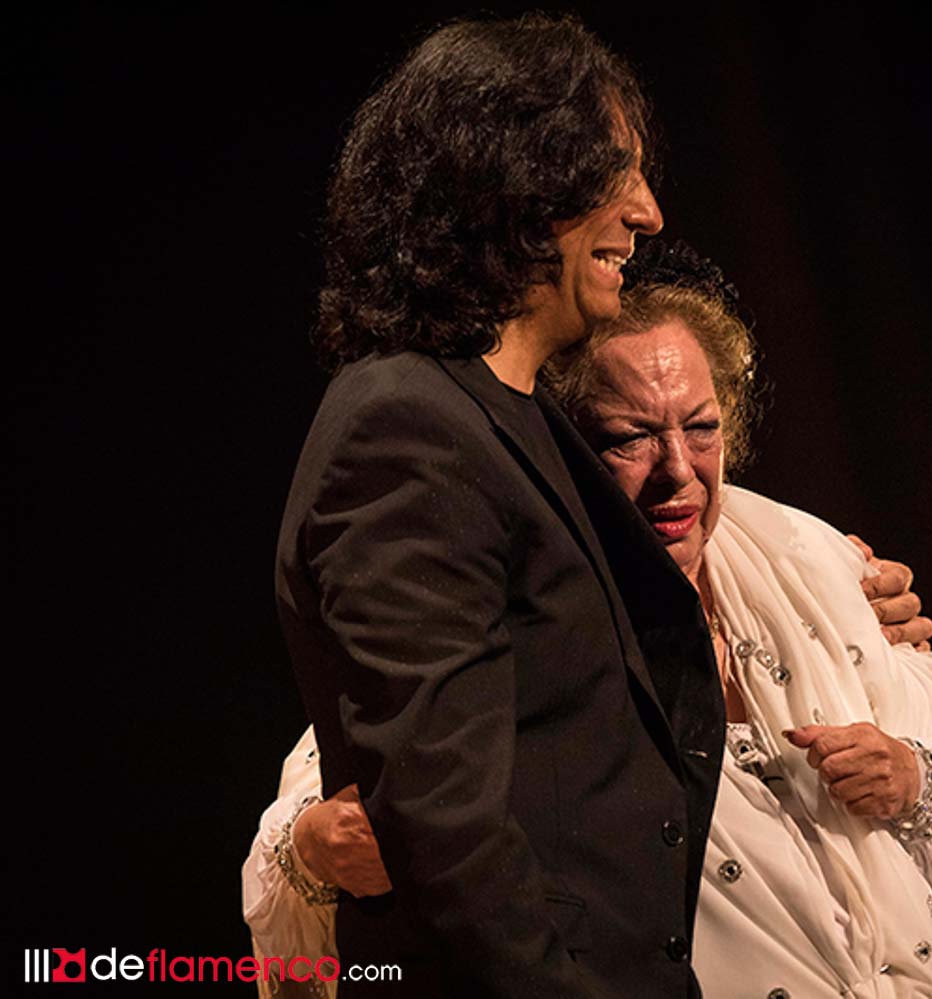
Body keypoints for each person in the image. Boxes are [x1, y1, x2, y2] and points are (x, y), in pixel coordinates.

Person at [253, 242, 932, 997]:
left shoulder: (812, 569)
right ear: (567, 452)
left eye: (701, 429)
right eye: (630, 438)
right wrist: (313, 847)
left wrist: (916, 778)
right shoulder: (525, 607)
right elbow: (365, 764)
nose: (678, 473)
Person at [275, 15, 714, 996]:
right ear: (514, 180)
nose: (646, 212)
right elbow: (448, 843)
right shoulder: (407, 431)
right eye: (617, 172)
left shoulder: (506, 418)